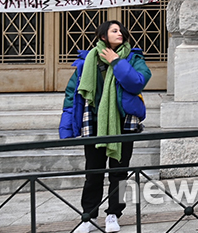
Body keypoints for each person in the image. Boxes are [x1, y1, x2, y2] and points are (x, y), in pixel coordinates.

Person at [60, 20, 151, 233]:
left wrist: (117, 62)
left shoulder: (133, 57)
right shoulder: (87, 60)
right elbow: (72, 94)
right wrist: (66, 127)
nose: (120, 33)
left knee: (119, 173)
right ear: (103, 37)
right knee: (93, 173)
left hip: (124, 124)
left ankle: (113, 214)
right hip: (93, 123)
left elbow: (137, 82)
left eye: (121, 30)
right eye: (114, 30)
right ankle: (87, 216)